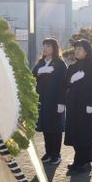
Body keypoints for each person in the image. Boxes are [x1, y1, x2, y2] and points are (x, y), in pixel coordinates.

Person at [64, 39, 92, 174]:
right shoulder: (72, 67)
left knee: (85, 133)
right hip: (73, 103)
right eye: (76, 49)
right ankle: (78, 159)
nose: (76, 51)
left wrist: (91, 104)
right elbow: (66, 84)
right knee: (74, 132)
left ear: (86, 51)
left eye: (80, 49)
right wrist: (72, 79)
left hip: (85, 105)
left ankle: (86, 161)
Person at [32, 38, 68, 166]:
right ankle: (48, 153)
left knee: (55, 128)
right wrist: (39, 71)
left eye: (48, 46)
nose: (45, 48)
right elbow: (32, 75)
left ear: (54, 48)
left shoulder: (60, 63)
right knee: (46, 127)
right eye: (44, 46)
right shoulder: (41, 62)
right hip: (42, 100)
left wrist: (62, 102)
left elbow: (64, 84)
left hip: (55, 100)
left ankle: (56, 154)